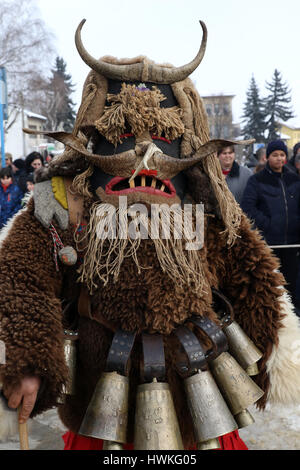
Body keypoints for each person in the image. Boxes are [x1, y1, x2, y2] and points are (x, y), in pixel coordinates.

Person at [0, 20, 300, 453]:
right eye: (122, 137)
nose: (143, 155)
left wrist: (272, 355)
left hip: (195, 403)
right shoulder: (63, 203)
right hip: (99, 404)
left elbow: (255, 278)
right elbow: (22, 276)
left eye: (162, 139)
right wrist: (29, 361)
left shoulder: (206, 204)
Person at [241, 139, 300, 309]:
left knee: (291, 285)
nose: (279, 159)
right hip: (269, 244)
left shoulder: (293, 179)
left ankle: (295, 324)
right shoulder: (257, 180)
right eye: (275, 155)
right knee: (271, 286)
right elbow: (248, 207)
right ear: (267, 157)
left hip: (292, 244)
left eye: (282, 155)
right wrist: (268, 224)